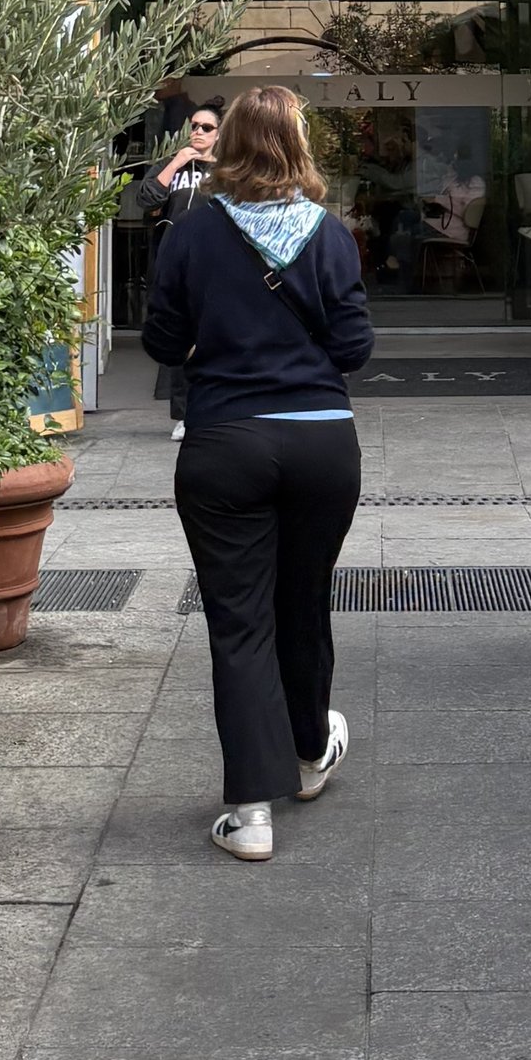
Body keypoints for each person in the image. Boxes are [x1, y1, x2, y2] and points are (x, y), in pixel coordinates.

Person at [142, 85, 372, 861]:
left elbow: (164, 342)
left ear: (228, 142)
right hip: (320, 446)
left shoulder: (194, 232)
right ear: (299, 145)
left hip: (224, 445)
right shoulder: (331, 235)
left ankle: (249, 814)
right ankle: (310, 753)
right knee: (303, 600)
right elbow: (355, 349)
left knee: (240, 621)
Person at [130, 101, 222, 436]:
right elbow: (147, 197)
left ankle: (215, 407)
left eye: (205, 128)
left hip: (215, 265)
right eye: (193, 127)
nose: (197, 132)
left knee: (213, 338)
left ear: (219, 134)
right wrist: (179, 160)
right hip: (174, 264)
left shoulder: (228, 169)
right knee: (183, 340)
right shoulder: (173, 164)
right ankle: (185, 415)